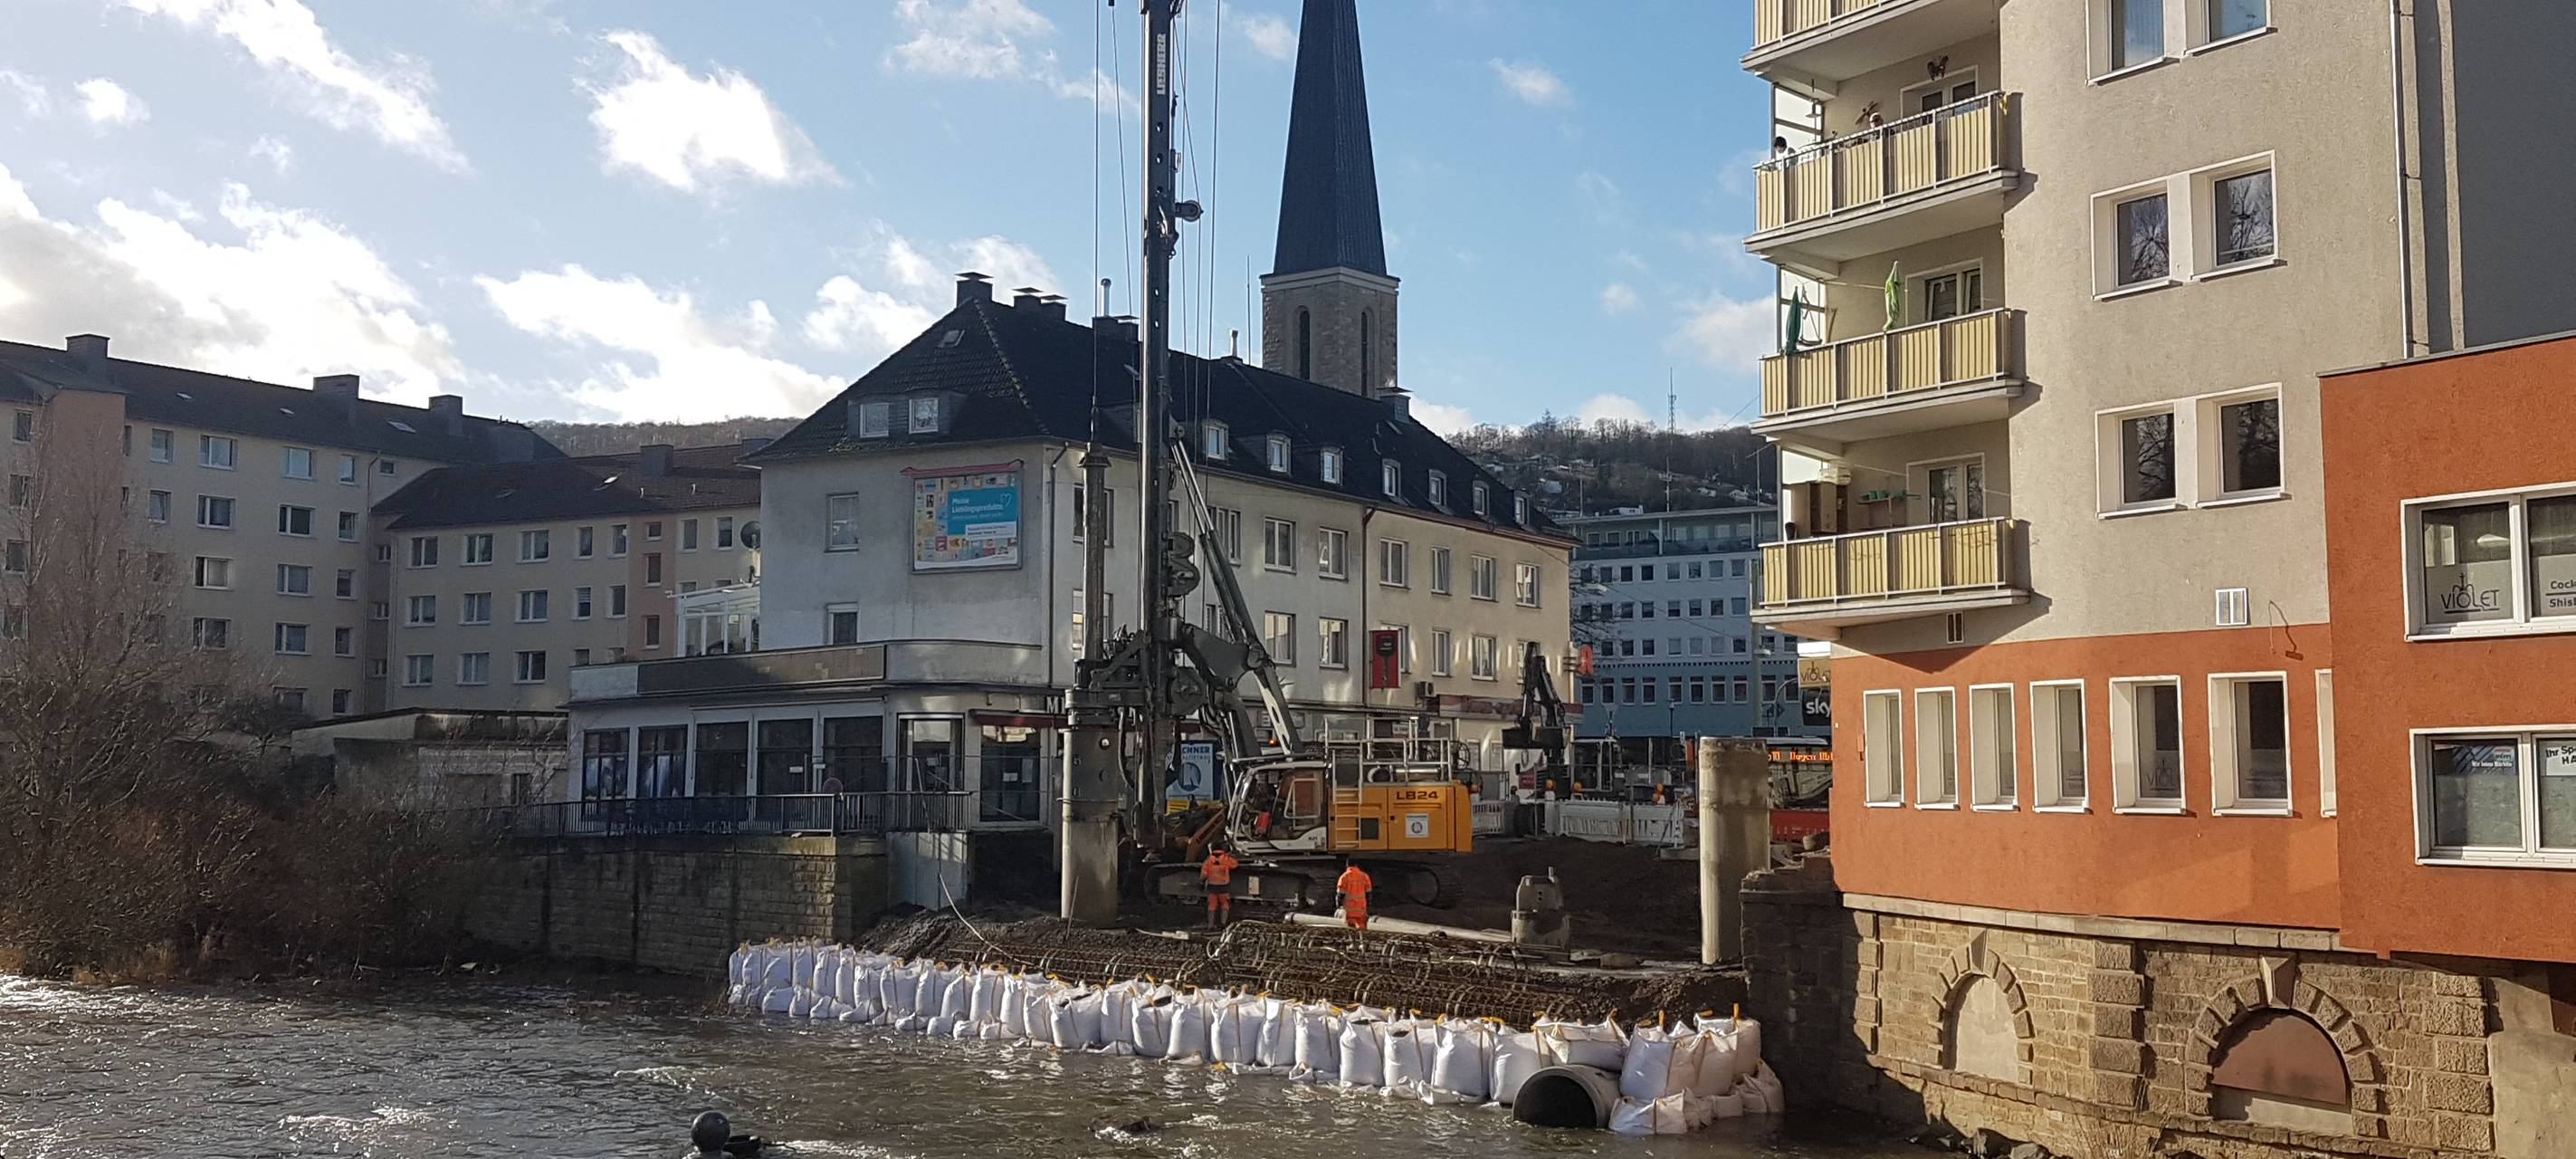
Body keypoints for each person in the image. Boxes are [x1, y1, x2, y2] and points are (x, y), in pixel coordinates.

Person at [1200, 844, 1239, 929]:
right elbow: (1235, 864)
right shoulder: (1226, 859)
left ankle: (1210, 925)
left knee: (1212, 905)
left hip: (1212, 887)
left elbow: (1204, 875)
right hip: (1224, 887)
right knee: (1225, 904)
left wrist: (1200, 882)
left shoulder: (1208, 861)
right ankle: (1223, 924)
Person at [1335, 860, 1373, 932]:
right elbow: (1368, 893)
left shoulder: (1344, 877)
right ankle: (1362, 940)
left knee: (1351, 928)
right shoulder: (1364, 876)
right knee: (1362, 927)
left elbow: (1340, 895)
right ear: (1356, 865)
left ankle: (1353, 941)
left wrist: (1339, 907)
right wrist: (1368, 906)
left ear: (1347, 866)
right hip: (1361, 909)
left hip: (1349, 910)